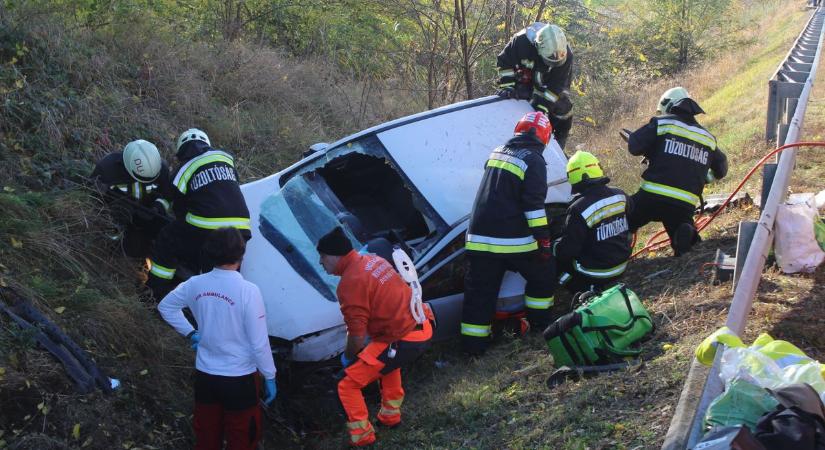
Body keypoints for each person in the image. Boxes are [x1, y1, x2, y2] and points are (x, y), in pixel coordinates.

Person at [158, 227, 276, 450]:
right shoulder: (248, 291)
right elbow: (259, 344)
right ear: (242, 254)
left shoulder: (195, 284)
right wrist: (270, 375)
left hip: (206, 376)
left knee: (207, 437)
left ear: (210, 252)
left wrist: (191, 332)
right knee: (242, 439)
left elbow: (166, 307)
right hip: (240, 380)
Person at [316, 226, 433, 447]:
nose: (321, 262)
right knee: (385, 363)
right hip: (420, 327)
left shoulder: (350, 283)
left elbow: (357, 336)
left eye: (322, 257)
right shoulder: (373, 260)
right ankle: (390, 417)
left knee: (345, 383)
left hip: (401, 338)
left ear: (334, 256)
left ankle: (364, 439)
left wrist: (349, 357)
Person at [461, 111, 556, 355]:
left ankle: (473, 350)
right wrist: (543, 240)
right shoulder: (533, 160)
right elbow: (534, 206)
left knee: (479, 296)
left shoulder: (498, 151)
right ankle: (541, 326)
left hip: (478, 239)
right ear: (544, 137)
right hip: (513, 241)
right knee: (543, 276)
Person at [146, 128, 251, 299]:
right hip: (241, 229)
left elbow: (173, 201)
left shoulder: (186, 167)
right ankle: (220, 305)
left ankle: (155, 292)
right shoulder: (226, 159)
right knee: (222, 272)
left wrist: (158, 207)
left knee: (168, 238)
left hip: (206, 226)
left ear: (182, 152)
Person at [625, 87, 728, 256]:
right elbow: (722, 168)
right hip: (684, 203)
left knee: (625, 219)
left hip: (652, 196)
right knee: (680, 226)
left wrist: (651, 149)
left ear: (668, 106)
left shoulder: (662, 124)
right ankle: (686, 235)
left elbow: (634, 146)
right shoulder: (707, 138)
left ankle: (620, 252)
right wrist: (706, 177)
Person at [552, 151, 632, 294]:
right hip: (622, 264)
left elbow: (568, 251)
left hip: (597, 273)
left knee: (554, 262)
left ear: (572, 177)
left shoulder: (578, 209)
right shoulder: (620, 194)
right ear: (598, 169)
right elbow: (631, 219)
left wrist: (554, 245)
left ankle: (584, 291)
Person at [496, 23, 574, 149]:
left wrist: (542, 107)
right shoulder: (521, 42)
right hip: (523, 82)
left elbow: (557, 85)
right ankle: (511, 135)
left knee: (563, 107)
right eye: (549, 60)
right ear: (538, 47)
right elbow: (504, 62)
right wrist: (508, 86)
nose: (551, 65)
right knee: (514, 103)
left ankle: (557, 145)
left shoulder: (566, 54)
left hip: (547, 85)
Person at [90, 139, 172, 257]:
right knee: (125, 250)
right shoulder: (108, 168)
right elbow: (92, 197)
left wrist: (158, 207)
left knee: (166, 229)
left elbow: (167, 195)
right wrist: (111, 210)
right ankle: (111, 248)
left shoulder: (162, 169)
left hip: (147, 214)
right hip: (116, 216)